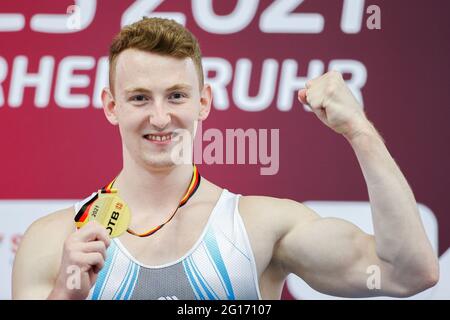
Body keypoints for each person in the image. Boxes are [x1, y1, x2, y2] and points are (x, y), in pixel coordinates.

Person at [12, 17, 438, 300]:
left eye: (176, 96)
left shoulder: (259, 227)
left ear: (204, 102)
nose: (160, 117)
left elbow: (408, 273)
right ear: (111, 106)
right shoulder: (52, 241)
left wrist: (359, 131)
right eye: (139, 97)